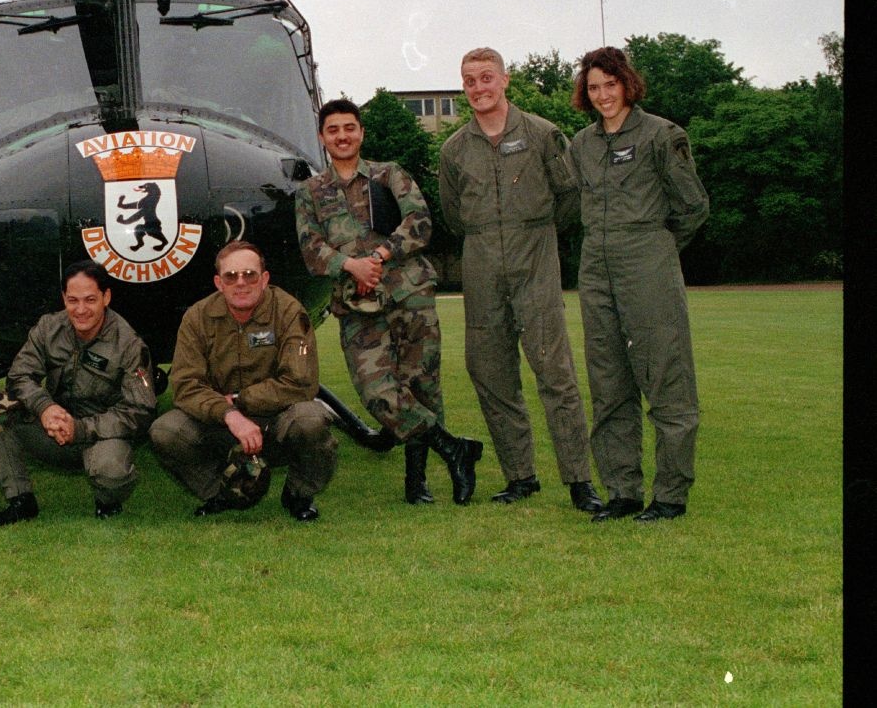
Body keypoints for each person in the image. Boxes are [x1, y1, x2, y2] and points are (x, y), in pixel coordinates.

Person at [295, 98, 485, 506]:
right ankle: (454, 449)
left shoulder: (388, 175)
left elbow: (419, 222)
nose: (342, 136)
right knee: (378, 392)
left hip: (408, 293)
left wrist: (379, 257)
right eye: (333, 130)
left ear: (361, 132)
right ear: (322, 138)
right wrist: (352, 266)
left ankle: (417, 486)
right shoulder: (310, 192)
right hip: (357, 306)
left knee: (421, 385)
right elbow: (312, 251)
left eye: (349, 127)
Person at [438, 48, 604, 513]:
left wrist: (537, 234)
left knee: (555, 373)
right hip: (481, 261)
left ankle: (579, 480)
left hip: (536, 257)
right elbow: (452, 215)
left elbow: (570, 198)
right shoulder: (454, 149)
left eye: (486, 78)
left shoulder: (542, 134)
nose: (478, 88)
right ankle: (520, 476)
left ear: (505, 80)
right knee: (491, 373)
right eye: (469, 80)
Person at [569, 46, 709, 523]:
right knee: (608, 383)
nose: (603, 95)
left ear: (628, 83)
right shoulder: (581, 145)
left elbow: (692, 207)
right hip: (595, 266)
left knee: (666, 378)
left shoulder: (661, 135)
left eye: (610, 84)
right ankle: (622, 491)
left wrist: (656, 249)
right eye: (593, 87)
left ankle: (670, 494)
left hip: (646, 261)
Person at [149, 241, 336, 521]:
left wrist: (240, 400)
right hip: (220, 422)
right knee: (166, 430)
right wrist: (229, 414)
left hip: (275, 420)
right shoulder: (197, 317)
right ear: (218, 282)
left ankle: (299, 494)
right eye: (231, 276)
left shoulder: (288, 312)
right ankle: (217, 494)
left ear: (264, 279)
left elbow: (300, 382)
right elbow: (186, 385)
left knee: (312, 419)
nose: (241, 283)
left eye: (250, 275)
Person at [0, 260, 157, 524]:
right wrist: (45, 408)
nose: (81, 310)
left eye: (90, 300)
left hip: (100, 435)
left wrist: (81, 428)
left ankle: (107, 498)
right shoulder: (48, 328)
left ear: (106, 297)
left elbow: (140, 410)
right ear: (64, 298)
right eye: (73, 300)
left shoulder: (129, 344)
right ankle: (20, 499)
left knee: (111, 472)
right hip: (52, 430)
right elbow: (19, 376)